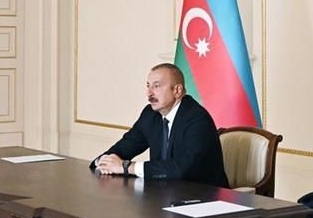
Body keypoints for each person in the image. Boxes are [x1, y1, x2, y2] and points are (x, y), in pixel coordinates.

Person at [90, 63, 228, 187]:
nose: (149, 93)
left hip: (204, 197)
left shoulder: (197, 119)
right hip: (164, 194)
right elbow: (125, 147)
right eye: (148, 86)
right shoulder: (150, 114)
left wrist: (126, 167)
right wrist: (103, 162)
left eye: (156, 86)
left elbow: (181, 169)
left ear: (177, 90)